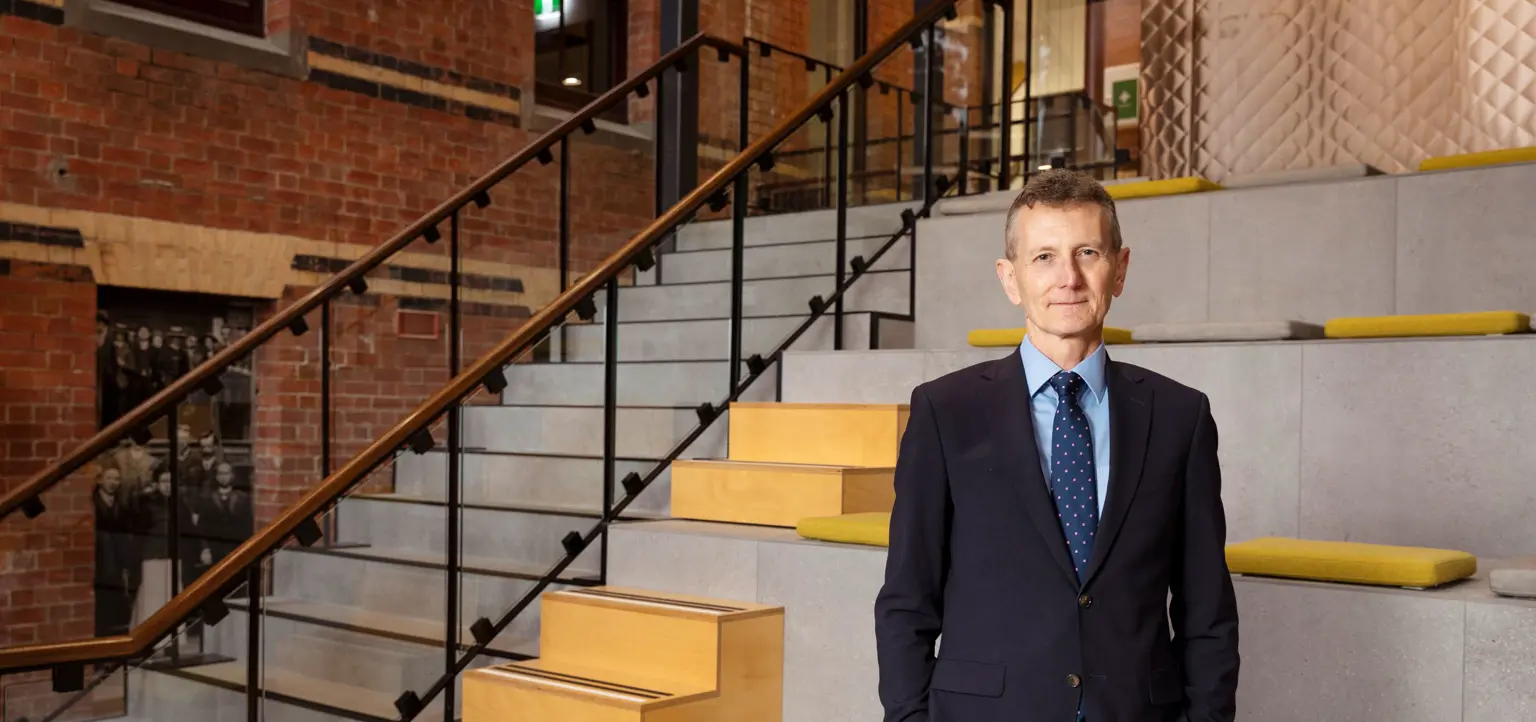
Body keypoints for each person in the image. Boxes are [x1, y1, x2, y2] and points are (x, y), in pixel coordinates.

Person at [874, 169, 1239, 722]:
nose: (1067, 278)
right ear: (1009, 277)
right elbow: (907, 599)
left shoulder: (1180, 417)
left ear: (1119, 270)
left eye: (1087, 252)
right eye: (1043, 257)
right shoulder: (945, 412)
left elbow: (1207, 608)